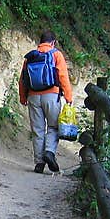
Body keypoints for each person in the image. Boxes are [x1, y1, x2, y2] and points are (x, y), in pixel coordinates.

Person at [18, 31, 73, 173]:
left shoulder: (30, 57)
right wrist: (68, 97)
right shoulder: (56, 54)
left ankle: (39, 163)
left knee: (38, 130)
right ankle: (49, 152)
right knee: (54, 127)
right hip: (52, 95)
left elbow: (23, 80)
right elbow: (63, 76)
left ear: (40, 42)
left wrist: (23, 98)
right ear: (53, 42)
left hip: (33, 97)